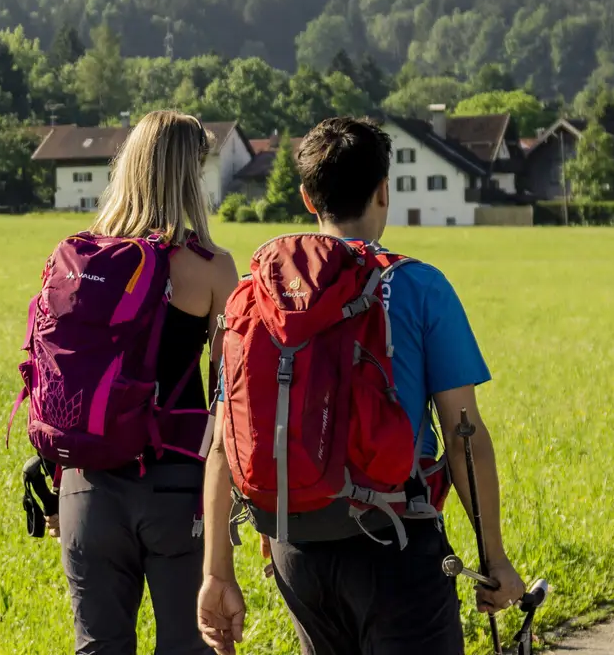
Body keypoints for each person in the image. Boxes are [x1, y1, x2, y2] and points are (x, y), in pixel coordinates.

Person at [197, 116, 524, 655]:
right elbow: (464, 433)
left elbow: (223, 441)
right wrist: (493, 560)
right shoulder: (418, 284)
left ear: (307, 197)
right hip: (394, 539)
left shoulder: (259, 294)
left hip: (293, 545)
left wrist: (216, 573)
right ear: (383, 192)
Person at [46, 111, 241, 655]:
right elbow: (231, 397)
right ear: (189, 175)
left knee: (98, 647)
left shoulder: (77, 261)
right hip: (177, 485)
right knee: (188, 647)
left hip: (86, 482)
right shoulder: (212, 269)